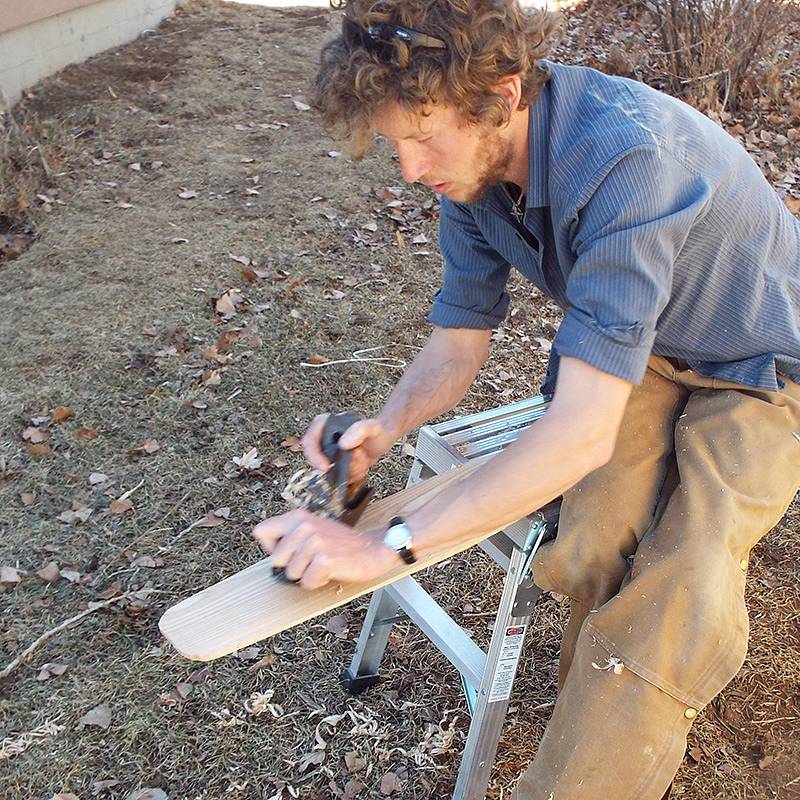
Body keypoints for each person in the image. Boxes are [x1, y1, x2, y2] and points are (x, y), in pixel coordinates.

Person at [251, 1, 800, 797]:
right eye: (394, 141)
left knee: (681, 581)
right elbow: (456, 344)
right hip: (648, 353)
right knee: (587, 549)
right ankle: (605, 699)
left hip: (767, 365)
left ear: (502, 96)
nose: (409, 167)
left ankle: (596, 746)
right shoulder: (470, 175)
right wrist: (386, 426)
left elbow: (579, 436)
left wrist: (387, 545)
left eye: (422, 134)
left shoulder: (626, 161)